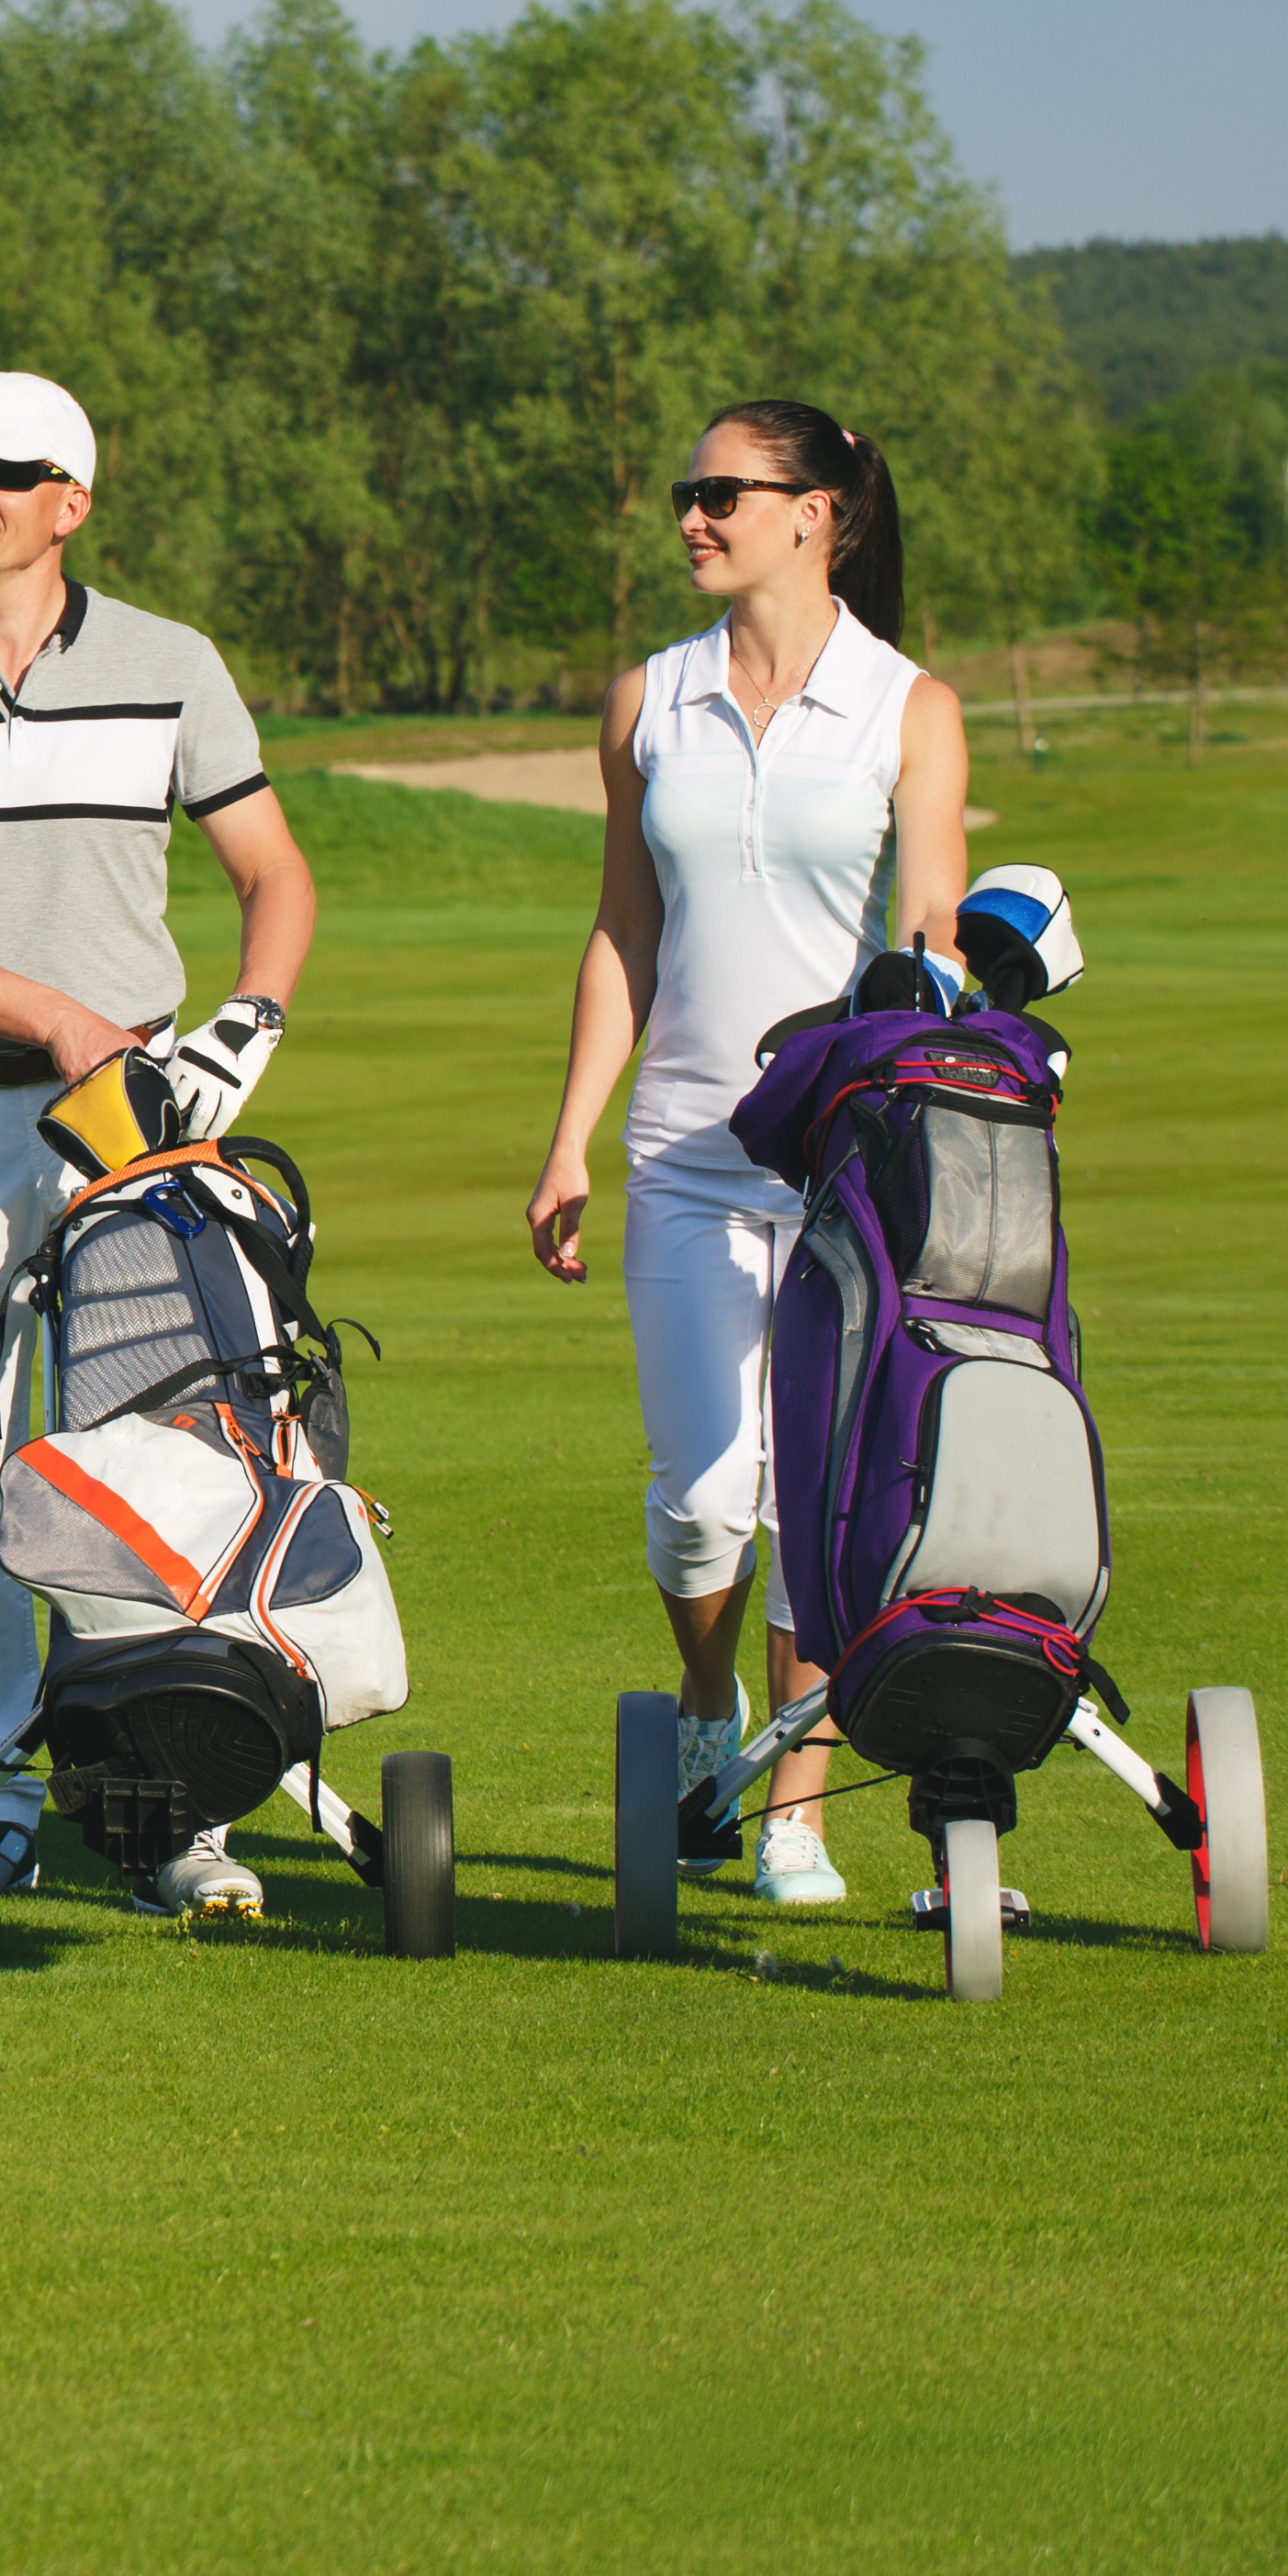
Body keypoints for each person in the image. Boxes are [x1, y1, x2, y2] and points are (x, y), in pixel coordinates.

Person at [0, 373, 319, 1919]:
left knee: (151, 1466)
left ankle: (169, 1807)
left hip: (136, 1123)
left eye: (7, 471)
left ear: (69, 502)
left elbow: (273, 876)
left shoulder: (171, 664)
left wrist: (251, 1023)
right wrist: (59, 1016)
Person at [522, 399, 971, 1912]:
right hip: (685, 1155)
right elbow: (623, 930)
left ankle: (796, 1810)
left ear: (816, 512)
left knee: (820, 1505)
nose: (696, 516)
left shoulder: (911, 707)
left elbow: (926, 952)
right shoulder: (646, 700)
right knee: (705, 1500)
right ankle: (712, 1707)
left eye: (725, 492)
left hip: (849, 1166)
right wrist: (572, 1135)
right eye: (687, 492)